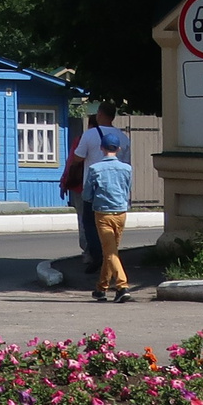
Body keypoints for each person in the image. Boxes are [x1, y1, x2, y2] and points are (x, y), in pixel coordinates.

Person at [60, 106, 117, 277]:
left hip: (86, 188)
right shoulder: (121, 138)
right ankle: (109, 257)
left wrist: (64, 182)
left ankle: (93, 255)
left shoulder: (85, 138)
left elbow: (74, 160)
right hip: (114, 191)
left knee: (88, 223)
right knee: (109, 224)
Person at [84, 126, 136, 302]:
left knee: (110, 252)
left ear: (102, 148)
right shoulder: (127, 169)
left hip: (103, 213)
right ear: (118, 149)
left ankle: (122, 286)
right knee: (110, 250)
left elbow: (87, 194)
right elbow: (128, 189)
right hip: (121, 212)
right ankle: (101, 288)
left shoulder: (95, 169)